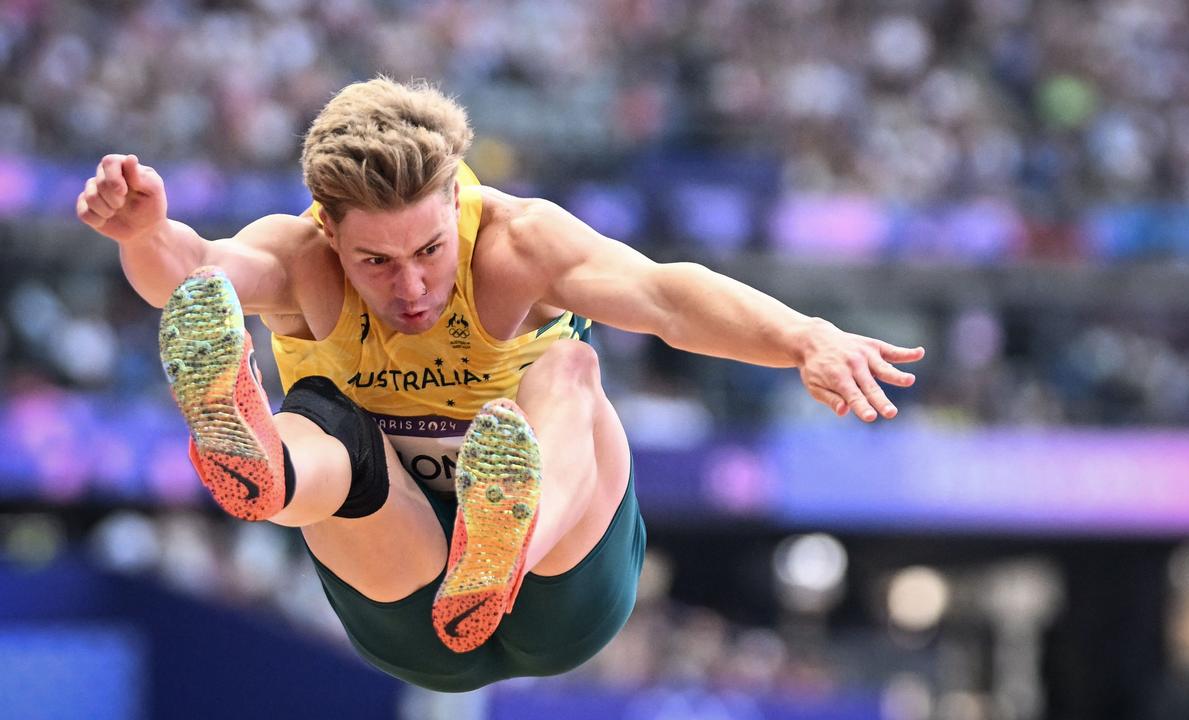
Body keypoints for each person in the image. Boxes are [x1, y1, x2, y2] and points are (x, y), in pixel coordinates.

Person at [75, 77, 925, 692]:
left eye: (428, 252)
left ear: (455, 201)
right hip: (405, 589)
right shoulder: (299, 261)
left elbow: (665, 298)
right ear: (329, 229)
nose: (409, 288)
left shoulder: (519, 244)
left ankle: (510, 532)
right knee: (325, 423)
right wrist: (145, 231)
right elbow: (194, 278)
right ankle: (265, 464)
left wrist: (802, 335)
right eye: (375, 262)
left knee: (568, 365)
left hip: (563, 584)